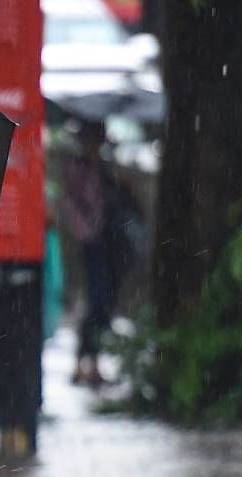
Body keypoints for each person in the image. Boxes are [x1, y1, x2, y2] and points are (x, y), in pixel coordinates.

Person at [58, 120, 138, 387]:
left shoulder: (104, 169)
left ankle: (92, 361)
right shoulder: (78, 170)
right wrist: (88, 227)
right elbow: (71, 206)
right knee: (96, 298)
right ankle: (85, 360)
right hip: (92, 242)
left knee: (104, 302)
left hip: (109, 243)